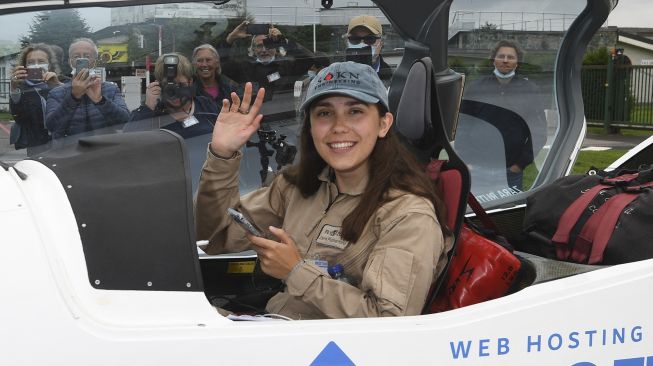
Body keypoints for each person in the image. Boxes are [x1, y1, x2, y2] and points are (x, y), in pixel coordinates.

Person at [195, 61, 452, 320]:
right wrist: (222, 154)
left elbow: (388, 323)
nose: (339, 126)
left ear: (384, 124)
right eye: (324, 113)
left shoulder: (407, 215)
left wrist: (295, 272)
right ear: (310, 126)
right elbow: (213, 238)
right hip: (278, 326)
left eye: (355, 112)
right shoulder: (297, 187)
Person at [458, 40, 547, 191]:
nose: (505, 60)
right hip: (477, 170)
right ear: (494, 60)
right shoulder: (476, 87)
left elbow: (538, 131)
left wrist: (519, 165)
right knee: (474, 214)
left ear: (517, 62)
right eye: (501, 56)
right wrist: (467, 161)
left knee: (507, 213)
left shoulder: (529, 90)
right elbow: (462, 125)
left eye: (510, 57)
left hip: (511, 172)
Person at [45, 38, 130, 139]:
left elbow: (125, 122)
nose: (81, 60)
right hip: (68, 152)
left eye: (87, 56)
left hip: (104, 150)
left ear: (94, 61)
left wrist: (100, 100)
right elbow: (52, 126)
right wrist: (73, 97)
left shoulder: (111, 89)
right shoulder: (57, 93)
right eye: (76, 56)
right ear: (70, 62)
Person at [125, 53, 218, 139]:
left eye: (180, 85)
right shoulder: (152, 113)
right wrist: (148, 107)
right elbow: (128, 140)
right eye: (169, 86)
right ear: (158, 84)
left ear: (190, 82)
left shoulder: (205, 105)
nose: (175, 92)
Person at [218, 21, 312, 100]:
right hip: (251, 117)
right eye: (259, 46)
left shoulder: (287, 65)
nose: (264, 50)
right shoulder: (244, 67)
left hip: (283, 116)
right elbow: (220, 64)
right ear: (253, 49)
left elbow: (309, 59)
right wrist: (230, 38)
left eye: (268, 44)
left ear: (276, 47)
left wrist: (284, 41)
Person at [8, 43, 63, 155]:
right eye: (31, 62)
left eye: (41, 61)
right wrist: (14, 88)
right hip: (36, 146)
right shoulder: (22, 88)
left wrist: (57, 86)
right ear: (24, 66)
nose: (36, 66)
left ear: (49, 65)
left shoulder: (59, 83)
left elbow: (72, 109)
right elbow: (19, 118)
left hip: (63, 143)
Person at [346, 15, 393, 85]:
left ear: (381, 42)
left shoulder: (393, 77)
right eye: (355, 39)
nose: (362, 43)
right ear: (347, 42)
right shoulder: (335, 72)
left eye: (369, 39)